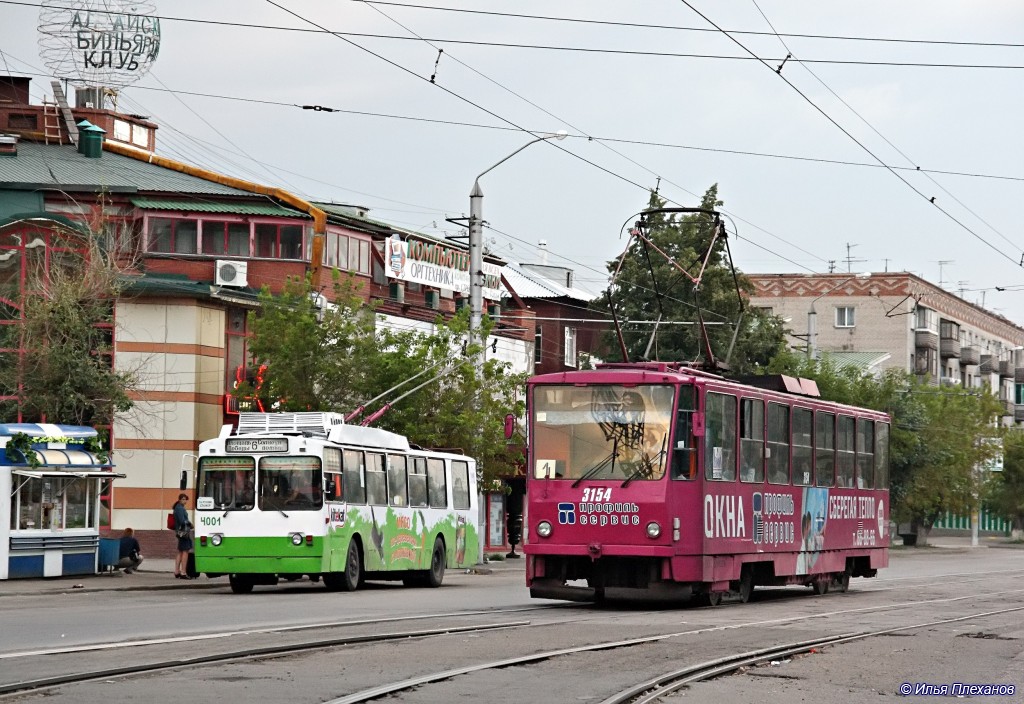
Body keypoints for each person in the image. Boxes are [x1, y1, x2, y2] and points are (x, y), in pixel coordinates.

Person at [173, 493, 193, 579]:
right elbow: (182, 521)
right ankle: (183, 572)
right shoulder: (180, 508)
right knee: (185, 551)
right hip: (183, 532)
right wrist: (190, 524)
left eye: (186, 499)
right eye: (184, 499)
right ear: (180, 499)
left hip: (180, 532)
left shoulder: (177, 508)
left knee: (180, 551)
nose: (185, 501)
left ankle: (177, 571)